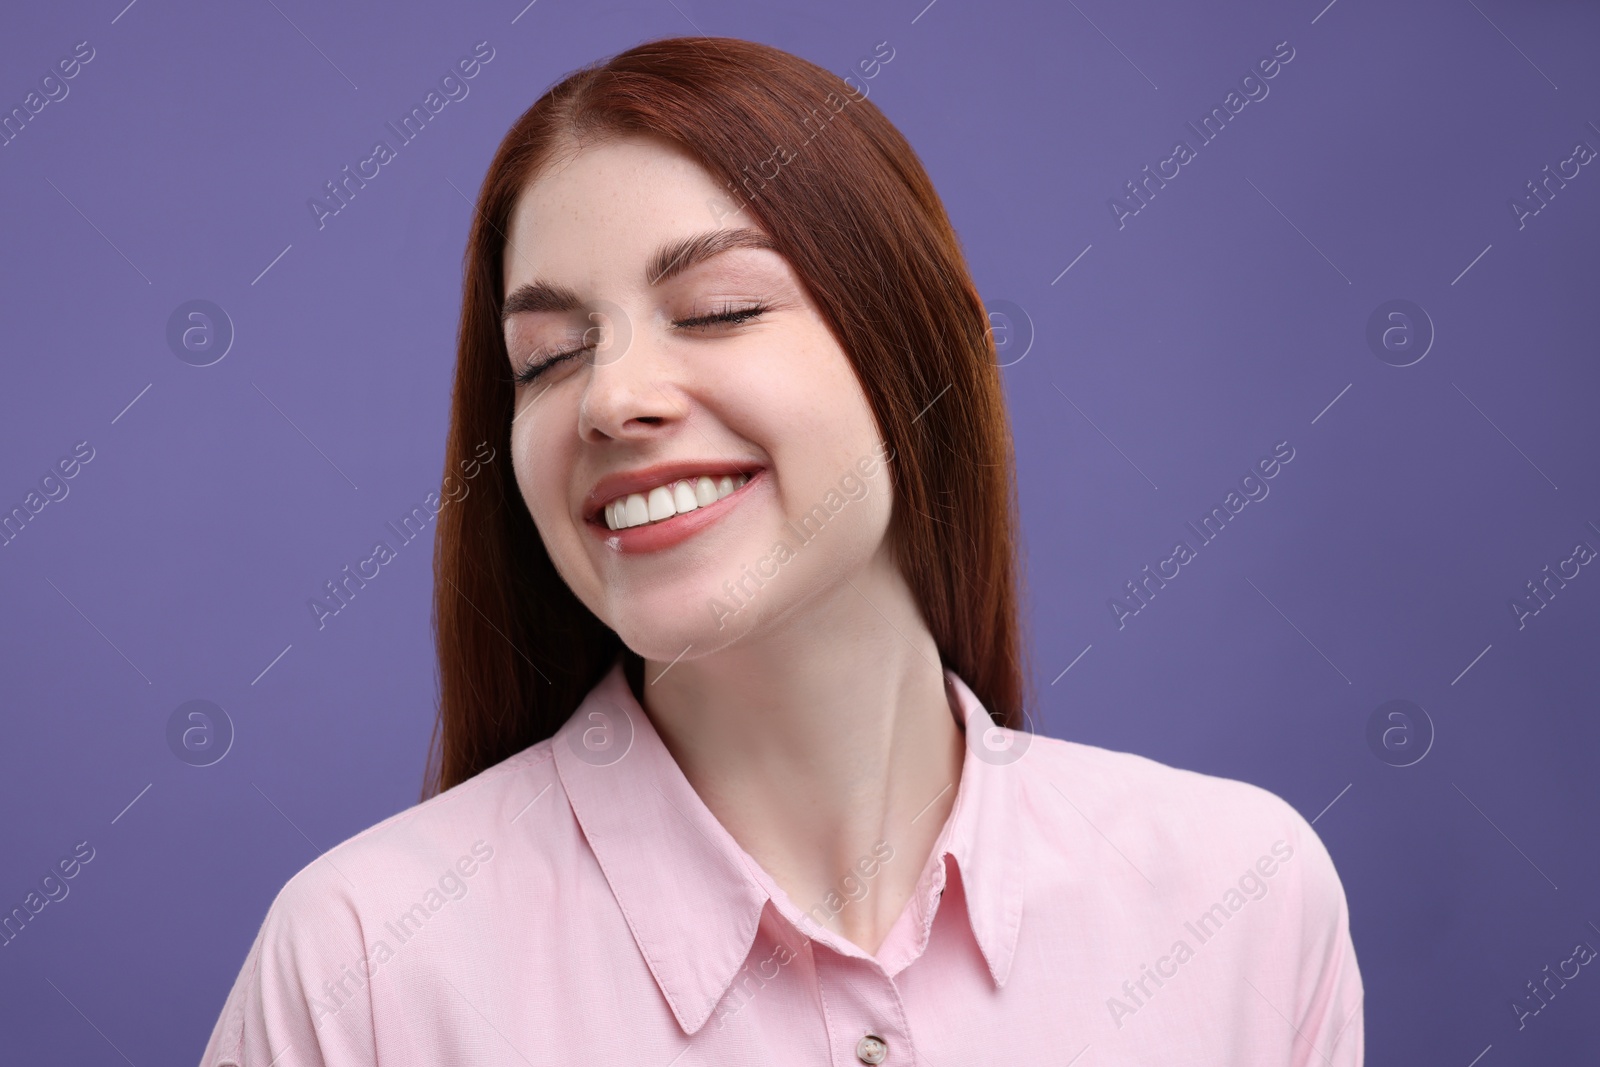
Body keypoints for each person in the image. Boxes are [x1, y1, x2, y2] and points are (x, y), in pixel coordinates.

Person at [200, 34, 1362, 1066]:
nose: (612, 398)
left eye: (716, 309)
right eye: (549, 355)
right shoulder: (360, 967)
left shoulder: (1236, 893)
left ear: (916, 353)